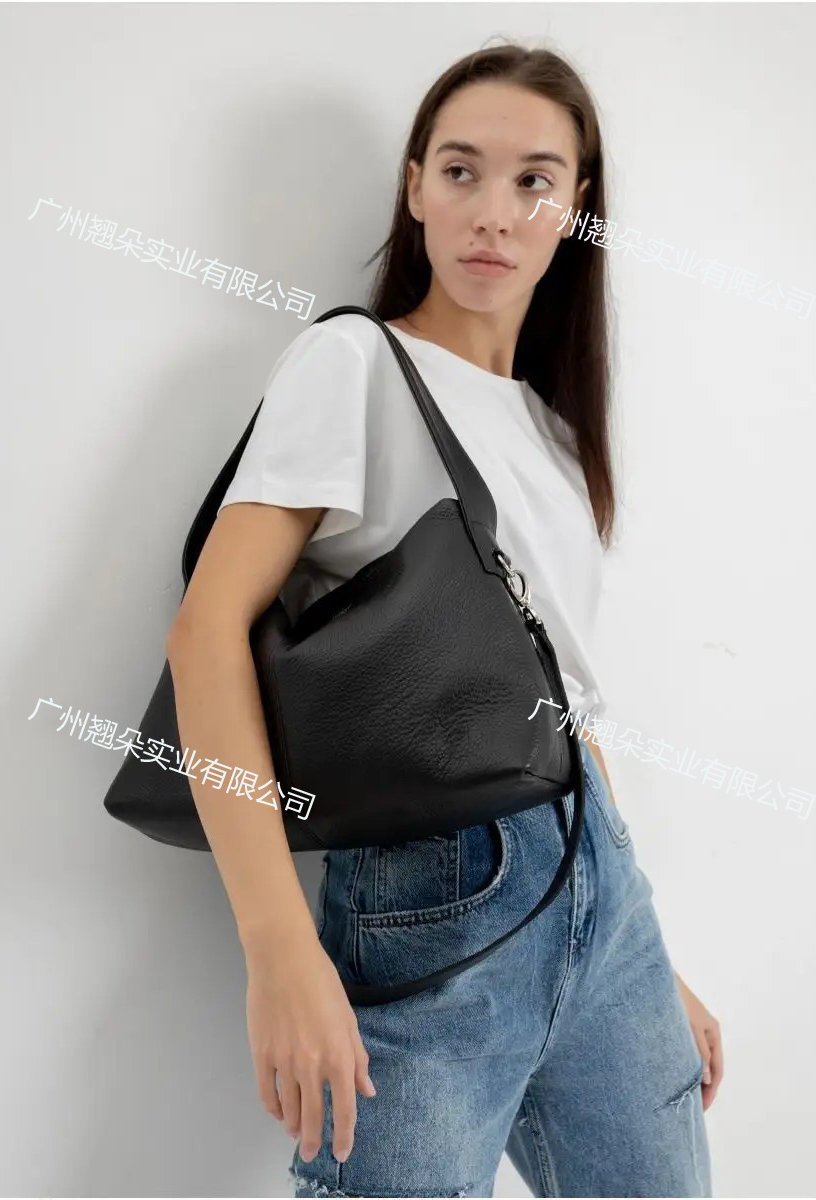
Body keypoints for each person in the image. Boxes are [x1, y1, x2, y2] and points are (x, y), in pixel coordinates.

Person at [165, 41, 723, 1199]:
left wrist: (638, 940)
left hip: (601, 892)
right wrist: (278, 946)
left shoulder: (556, 430)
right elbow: (207, 633)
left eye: (534, 181)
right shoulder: (353, 365)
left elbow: (561, 699)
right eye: (462, 171)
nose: (493, 213)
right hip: (437, 893)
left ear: (576, 209)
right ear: (415, 186)